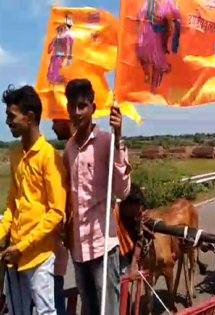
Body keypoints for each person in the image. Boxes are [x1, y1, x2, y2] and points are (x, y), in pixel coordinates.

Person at [63, 79, 131, 315]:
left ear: (93, 108)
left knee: (108, 311)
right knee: (89, 310)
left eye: (82, 106)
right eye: (72, 106)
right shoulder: (69, 149)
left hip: (104, 247)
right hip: (79, 250)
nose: (77, 112)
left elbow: (122, 191)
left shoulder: (107, 142)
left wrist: (119, 135)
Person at [0, 85, 66, 315]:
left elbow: (56, 212)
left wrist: (23, 246)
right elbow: (12, 204)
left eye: (11, 116)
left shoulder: (49, 157)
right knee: (18, 311)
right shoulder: (16, 154)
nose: (7, 121)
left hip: (38, 255)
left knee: (45, 311)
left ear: (30, 118)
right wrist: (2, 234)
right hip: (14, 254)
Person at [51, 119, 75, 315]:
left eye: (54, 122)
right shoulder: (70, 148)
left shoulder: (71, 149)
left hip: (69, 236)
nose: (52, 127)